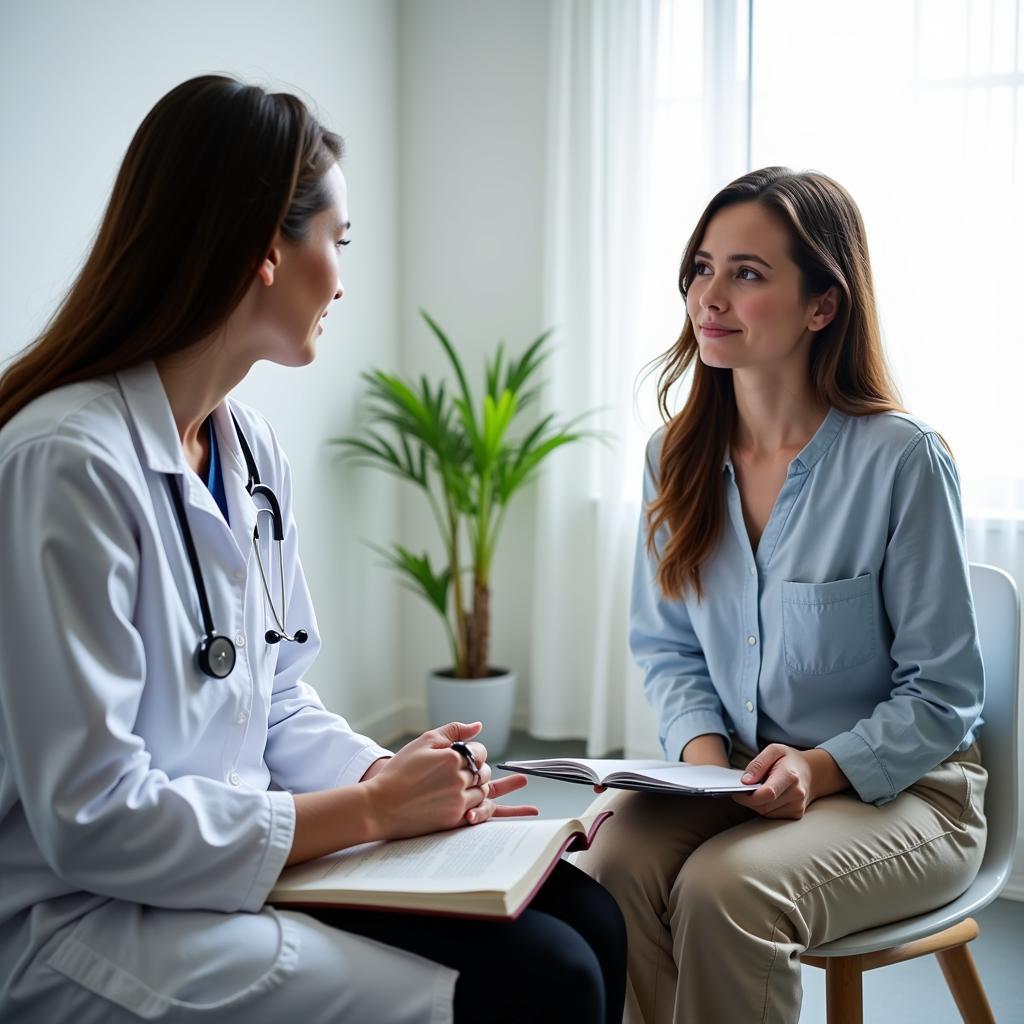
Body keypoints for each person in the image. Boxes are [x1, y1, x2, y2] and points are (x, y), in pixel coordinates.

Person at [0, 75, 626, 1024]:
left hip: (237, 857)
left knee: (586, 912)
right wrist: (371, 815)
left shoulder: (246, 450)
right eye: (336, 242)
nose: (342, 275)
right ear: (262, 252)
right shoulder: (65, 464)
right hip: (91, 913)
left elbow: (279, 694)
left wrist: (385, 777)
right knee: (545, 978)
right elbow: (93, 819)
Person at [572, 166, 987, 1023]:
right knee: (604, 868)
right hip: (741, 780)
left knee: (728, 890)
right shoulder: (672, 456)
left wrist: (817, 767)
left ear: (822, 305)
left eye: (747, 273)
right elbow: (669, 650)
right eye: (701, 267)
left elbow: (943, 696)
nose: (708, 296)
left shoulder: (901, 462)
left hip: (909, 795)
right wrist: (706, 775)